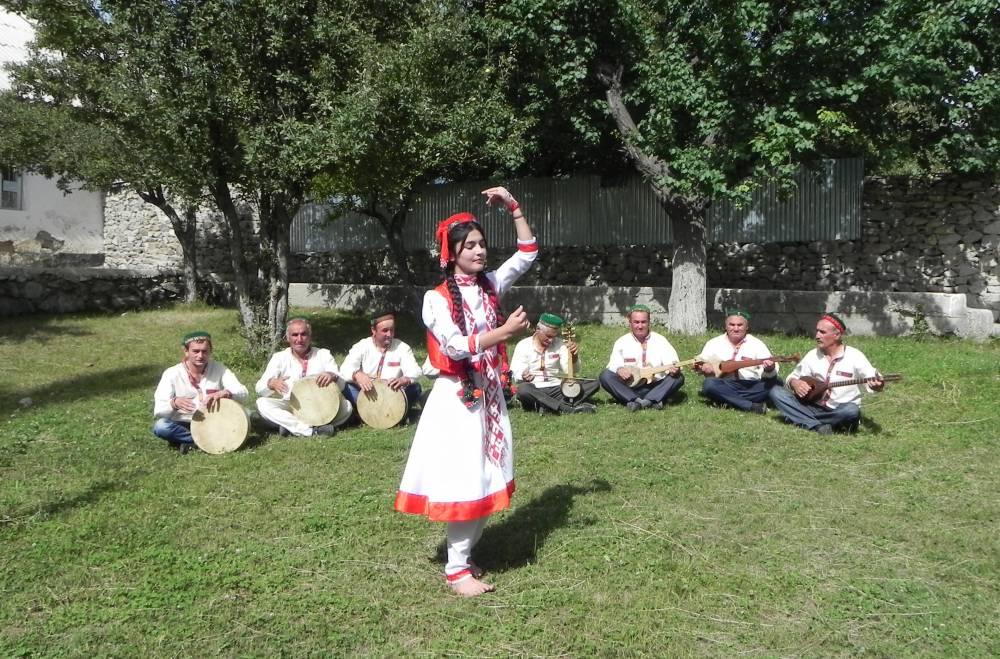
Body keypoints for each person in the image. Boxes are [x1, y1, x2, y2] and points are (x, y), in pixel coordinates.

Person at [394, 185, 536, 597]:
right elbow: (455, 345)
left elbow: (527, 253)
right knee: (465, 479)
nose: (479, 251)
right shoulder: (434, 299)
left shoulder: (489, 283)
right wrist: (505, 332)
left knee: (488, 473)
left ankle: (464, 554)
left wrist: (513, 205)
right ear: (451, 252)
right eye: (469, 246)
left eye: (481, 244)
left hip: (488, 395)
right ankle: (457, 570)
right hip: (458, 399)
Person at [768, 312, 885, 435]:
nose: (817, 336)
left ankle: (803, 419)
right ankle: (819, 425)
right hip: (813, 407)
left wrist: (878, 385)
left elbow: (873, 378)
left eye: (822, 332)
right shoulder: (813, 355)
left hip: (839, 410)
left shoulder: (854, 356)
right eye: (817, 331)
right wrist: (795, 383)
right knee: (776, 392)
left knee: (851, 411)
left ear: (837, 335)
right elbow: (792, 377)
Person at [153, 330, 249, 453]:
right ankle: (208, 442)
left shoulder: (219, 369)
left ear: (210, 351)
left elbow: (243, 392)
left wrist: (225, 393)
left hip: (215, 420)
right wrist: (174, 403)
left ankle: (194, 444)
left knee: (248, 414)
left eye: (204, 351)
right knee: (161, 427)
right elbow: (159, 410)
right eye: (195, 351)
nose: (200, 356)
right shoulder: (171, 374)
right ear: (186, 351)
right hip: (184, 422)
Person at [254, 317, 348, 437]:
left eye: (304, 334)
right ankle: (311, 431)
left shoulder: (323, 354)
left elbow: (342, 385)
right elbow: (259, 388)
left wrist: (332, 375)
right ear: (287, 338)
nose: (299, 339)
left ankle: (290, 427)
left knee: (347, 407)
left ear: (310, 337)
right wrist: (270, 383)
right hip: (291, 406)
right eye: (295, 335)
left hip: (320, 406)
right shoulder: (279, 357)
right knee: (261, 403)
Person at [599, 305, 684, 411]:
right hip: (630, 387)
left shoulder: (660, 340)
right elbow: (614, 364)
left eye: (643, 322)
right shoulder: (622, 342)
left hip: (655, 386)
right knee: (605, 376)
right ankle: (642, 400)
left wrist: (674, 370)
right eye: (636, 322)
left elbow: (673, 361)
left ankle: (644, 401)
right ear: (630, 322)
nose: (640, 326)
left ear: (649, 322)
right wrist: (620, 369)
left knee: (678, 378)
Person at [341, 311, 423, 420]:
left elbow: (416, 371)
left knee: (415, 388)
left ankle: (367, 414)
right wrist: (357, 375)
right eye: (385, 330)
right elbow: (344, 369)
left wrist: (404, 379)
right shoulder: (362, 346)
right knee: (346, 387)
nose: (389, 334)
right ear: (373, 330)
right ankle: (399, 413)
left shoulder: (402, 348)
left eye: (392, 330)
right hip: (368, 395)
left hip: (392, 395)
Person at [694, 310, 779, 414]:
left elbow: (771, 370)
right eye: (732, 325)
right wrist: (704, 367)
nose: (736, 328)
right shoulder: (714, 343)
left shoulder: (757, 344)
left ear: (746, 327)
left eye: (740, 325)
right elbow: (699, 361)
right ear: (726, 326)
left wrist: (769, 369)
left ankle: (727, 399)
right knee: (709, 385)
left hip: (751, 385)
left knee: (776, 383)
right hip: (725, 384)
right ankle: (751, 406)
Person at [511, 312, 597, 414]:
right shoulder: (523, 345)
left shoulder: (560, 344)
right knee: (523, 390)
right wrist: (523, 375)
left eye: (554, 336)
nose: (551, 340)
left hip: (557, 387)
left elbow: (570, 371)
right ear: (537, 329)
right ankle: (566, 408)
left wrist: (574, 357)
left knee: (594, 382)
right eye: (548, 336)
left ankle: (545, 405)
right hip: (535, 388)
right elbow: (516, 372)